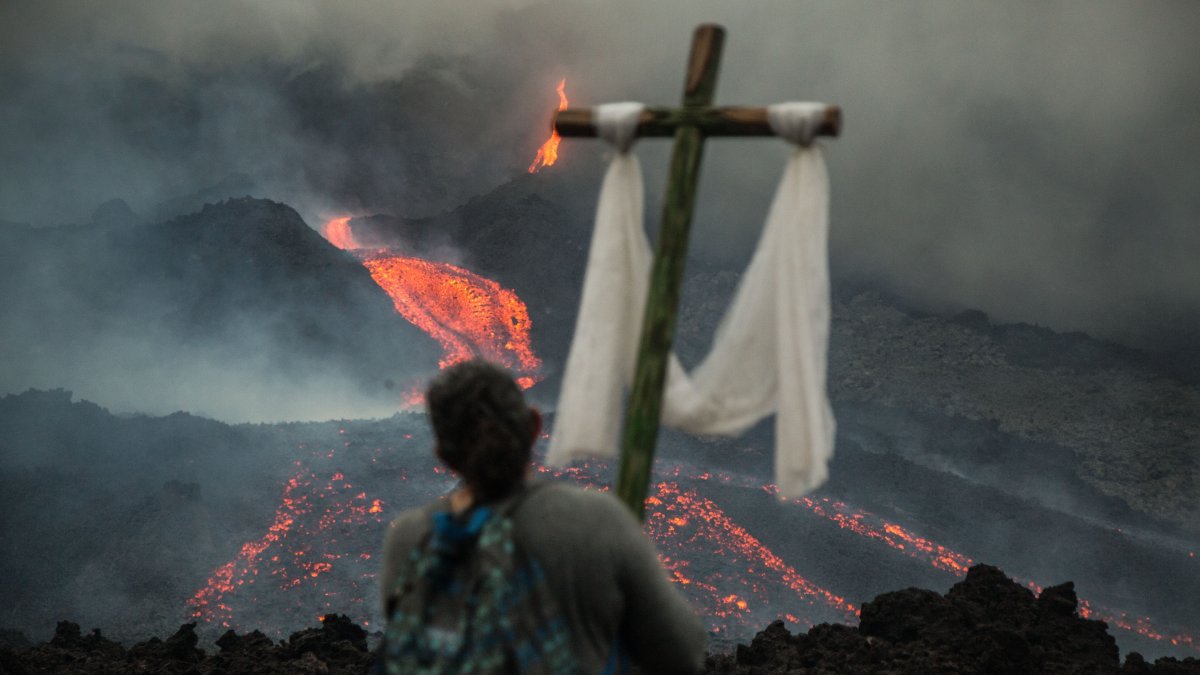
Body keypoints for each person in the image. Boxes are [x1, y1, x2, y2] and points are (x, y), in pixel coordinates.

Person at [380, 359, 707, 674]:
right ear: (534, 426)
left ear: (443, 455)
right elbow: (682, 655)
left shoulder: (410, 538)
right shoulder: (599, 520)